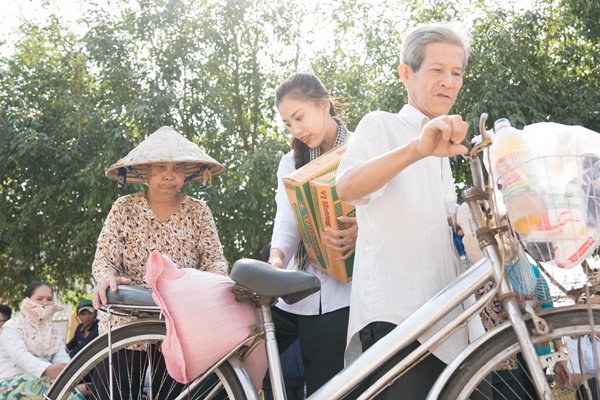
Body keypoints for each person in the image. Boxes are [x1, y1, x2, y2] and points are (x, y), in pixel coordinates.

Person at [335, 22, 472, 399]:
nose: (449, 81)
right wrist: (417, 148)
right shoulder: (382, 125)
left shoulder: (444, 147)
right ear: (406, 74)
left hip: (449, 318)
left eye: (457, 73)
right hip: (398, 317)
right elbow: (347, 186)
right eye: (437, 70)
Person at [90, 125, 229, 400]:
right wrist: (106, 276)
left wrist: (216, 285)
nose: (169, 175)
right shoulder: (124, 207)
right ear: (145, 172)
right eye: (160, 167)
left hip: (178, 321)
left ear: (187, 174)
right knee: (115, 394)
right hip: (125, 318)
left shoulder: (198, 210)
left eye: (177, 168)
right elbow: (105, 257)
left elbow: (214, 260)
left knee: (174, 395)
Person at [267, 72, 357, 395]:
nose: (296, 130)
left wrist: (361, 231)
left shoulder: (361, 147)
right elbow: (286, 221)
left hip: (342, 299)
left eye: (299, 117)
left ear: (324, 104)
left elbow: (386, 209)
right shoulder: (291, 162)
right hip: (295, 291)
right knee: (245, 360)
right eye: (288, 123)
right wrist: (276, 260)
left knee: (325, 390)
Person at [0, 282, 84, 399]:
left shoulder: (54, 332)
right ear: (27, 300)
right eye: (39, 299)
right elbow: (20, 356)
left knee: (69, 392)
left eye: (49, 299)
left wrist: (64, 371)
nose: (45, 303)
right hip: (12, 384)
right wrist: (46, 370)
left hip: (46, 384)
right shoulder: (13, 326)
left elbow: (61, 358)